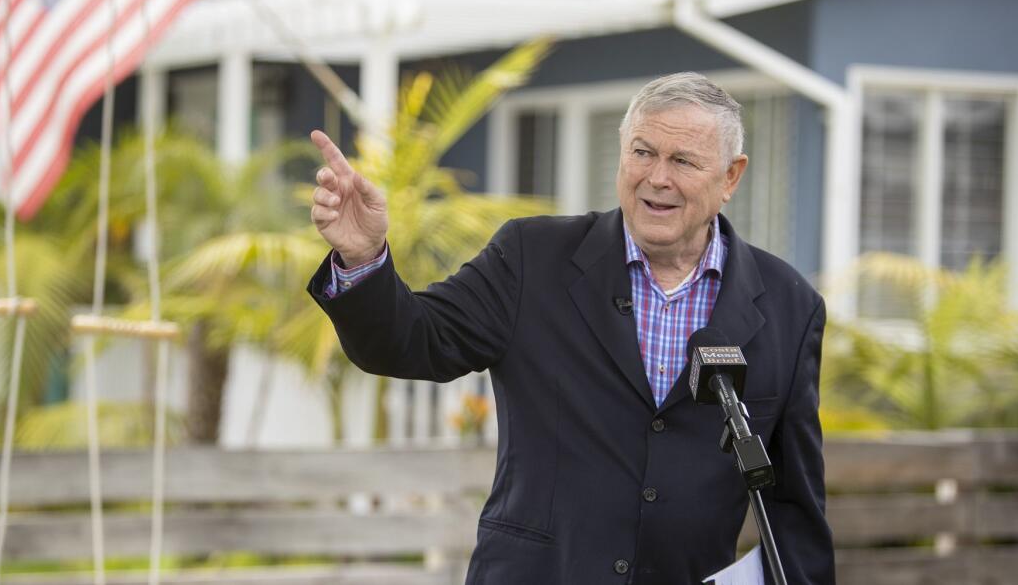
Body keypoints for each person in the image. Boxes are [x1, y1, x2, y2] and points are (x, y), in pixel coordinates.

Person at [306, 72, 834, 584]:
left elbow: (795, 511)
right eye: (642, 152)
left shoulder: (790, 307)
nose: (657, 178)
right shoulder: (531, 258)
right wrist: (364, 257)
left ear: (731, 177)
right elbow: (412, 341)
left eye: (684, 161)